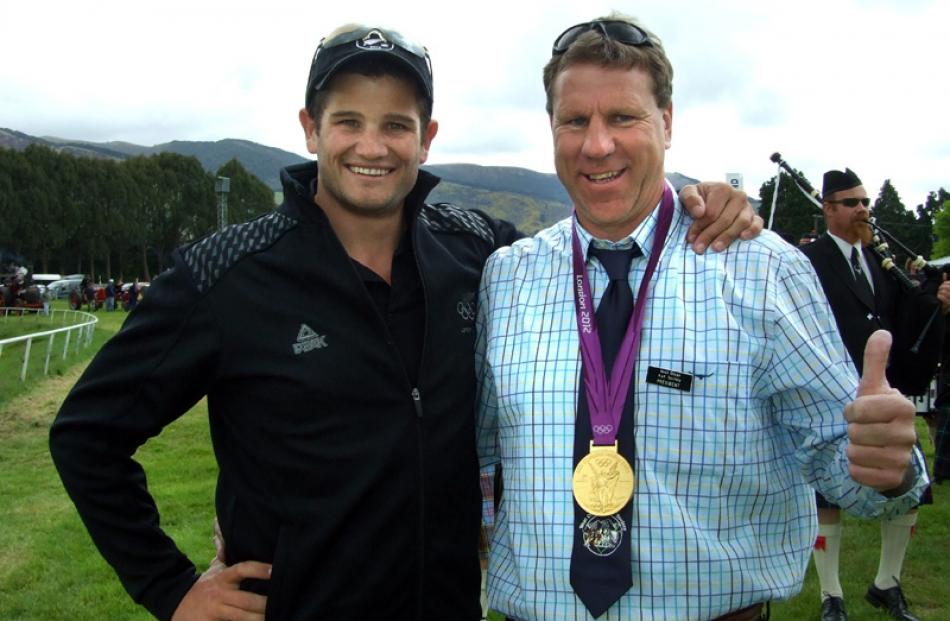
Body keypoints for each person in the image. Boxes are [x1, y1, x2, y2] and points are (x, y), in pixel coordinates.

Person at [50, 22, 759, 621]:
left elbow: (597, 236)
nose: (372, 146)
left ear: (427, 138)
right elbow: (87, 436)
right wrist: (171, 589)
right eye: (348, 122)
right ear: (309, 130)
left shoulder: (479, 251)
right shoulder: (227, 273)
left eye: (396, 124)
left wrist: (700, 199)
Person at [475, 15, 928, 621]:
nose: (597, 144)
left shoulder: (763, 272)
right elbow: (479, 453)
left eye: (624, 118)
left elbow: (844, 463)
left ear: (666, 122)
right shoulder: (508, 278)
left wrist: (890, 469)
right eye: (575, 120)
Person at [800, 169, 943, 621]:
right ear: (828, 208)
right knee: (827, 496)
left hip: (884, 392)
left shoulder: (877, 260)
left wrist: (933, 301)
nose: (863, 209)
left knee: (908, 485)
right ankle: (830, 595)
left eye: (865, 202)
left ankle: (887, 583)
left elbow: (900, 319)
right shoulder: (810, 260)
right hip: (830, 394)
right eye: (851, 202)